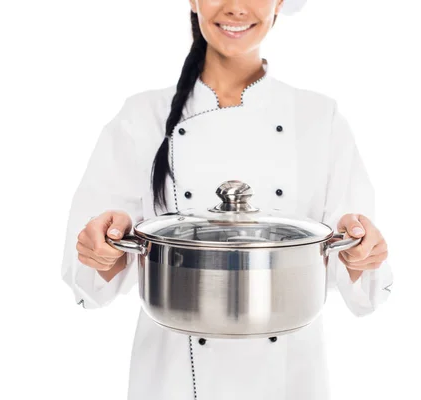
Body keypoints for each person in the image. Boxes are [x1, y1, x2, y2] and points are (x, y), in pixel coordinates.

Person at [61, 1, 393, 399]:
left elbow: (362, 281)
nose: (236, 7)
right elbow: (89, 282)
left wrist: (362, 253)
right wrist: (103, 248)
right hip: (173, 381)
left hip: (288, 381)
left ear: (280, 3)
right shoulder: (141, 116)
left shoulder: (320, 119)